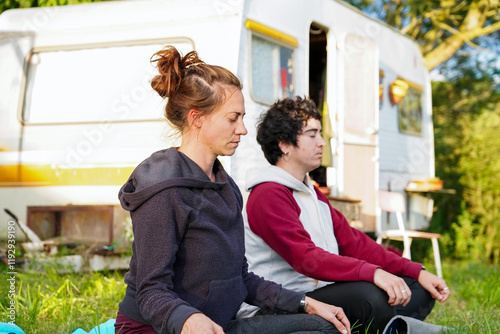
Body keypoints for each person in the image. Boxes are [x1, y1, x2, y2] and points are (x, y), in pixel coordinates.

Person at [114, 46, 351, 334]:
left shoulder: (226, 187)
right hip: (157, 328)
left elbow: (241, 279)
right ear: (197, 118)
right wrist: (187, 319)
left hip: (220, 324)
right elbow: (150, 291)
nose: (243, 129)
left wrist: (306, 303)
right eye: (233, 118)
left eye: (242, 118)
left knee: (321, 327)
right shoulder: (164, 188)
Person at [237, 96, 451, 333]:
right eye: (312, 134)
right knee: (370, 297)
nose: (322, 143)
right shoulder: (268, 194)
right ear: (284, 144)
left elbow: (356, 244)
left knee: (417, 289)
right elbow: (305, 258)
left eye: (320, 134)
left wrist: (415, 271)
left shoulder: (313, 195)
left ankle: (384, 326)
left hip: (322, 295)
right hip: (283, 305)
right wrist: (373, 273)